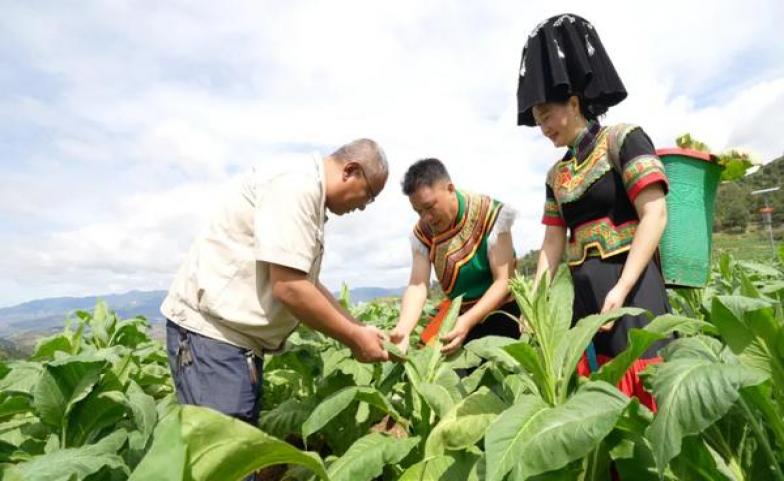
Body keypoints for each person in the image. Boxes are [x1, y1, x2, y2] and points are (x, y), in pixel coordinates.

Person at [161, 138, 391, 437]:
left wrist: (360, 327)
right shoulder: (296, 185)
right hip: (212, 341)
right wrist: (354, 339)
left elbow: (304, 281)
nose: (362, 207)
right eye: (369, 195)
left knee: (236, 454)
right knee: (225, 462)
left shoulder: (306, 191)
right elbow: (290, 288)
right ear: (350, 170)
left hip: (233, 346)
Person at [517, 14, 671, 411]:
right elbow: (553, 244)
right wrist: (533, 303)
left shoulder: (624, 140)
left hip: (633, 291)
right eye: (537, 122)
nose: (543, 128)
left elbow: (654, 214)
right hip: (584, 303)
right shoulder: (557, 175)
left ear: (573, 102)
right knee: (599, 405)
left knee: (645, 392)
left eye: (547, 115)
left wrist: (622, 288)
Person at [389, 158, 520, 356]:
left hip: (503, 311)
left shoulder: (489, 213)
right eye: (418, 211)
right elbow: (418, 284)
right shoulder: (422, 233)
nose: (426, 218)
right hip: (460, 317)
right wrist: (404, 330)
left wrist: (467, 322)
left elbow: (503, 281)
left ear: (450, 188)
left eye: (430, 206)